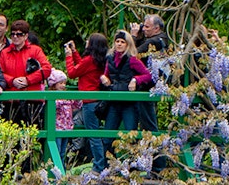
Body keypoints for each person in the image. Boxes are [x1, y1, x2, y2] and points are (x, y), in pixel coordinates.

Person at [100, 31, 152, 162]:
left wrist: (135, 80)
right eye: (117, 41)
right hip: (114, 102)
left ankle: (133, 165)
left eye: (122, 42)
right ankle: (110, 165)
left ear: (127, 44)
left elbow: (148, 75)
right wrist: (104, 78)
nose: (119, 44)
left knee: (131, 136)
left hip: (129, 103)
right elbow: (106, 74)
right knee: (107, 137)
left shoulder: (132, 60)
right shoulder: (110, 58)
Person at [66, 33, 109, 171]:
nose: (86, 42)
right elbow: (82, 67)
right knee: (96, 134)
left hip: (89, 101)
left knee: (93, 135)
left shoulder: (90, 60)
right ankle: (102, 163)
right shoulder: (99, 60)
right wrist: (74, 52)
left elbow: (72, 72)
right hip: (97, 100)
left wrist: (68, 56)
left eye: (88, 41)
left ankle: (98, 166)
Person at [0, 20, 51, 126]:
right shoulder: (4, 53)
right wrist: (12, 80)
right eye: (13, 34)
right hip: (12, 101)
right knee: (12, 138)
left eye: (19, 34)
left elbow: (47, 69)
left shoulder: (36, 50)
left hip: (32, 100)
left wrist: (28, 80)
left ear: (26, 36)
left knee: (34, 137)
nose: (15, 37)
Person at [130, 14, 170, 133]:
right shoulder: (161, 38)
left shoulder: (156, 41)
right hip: (149, 83)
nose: (143, 29)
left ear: (156, 28)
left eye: (147, 27)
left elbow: (133, 54)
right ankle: (150, 144)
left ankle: (153, 145)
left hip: (149, 85)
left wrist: (133, 36)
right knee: (144, 117)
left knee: (148, 119)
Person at [48, 69, 74, 164]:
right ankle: (55, 172)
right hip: (57, 127)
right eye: (60, 83)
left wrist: (77, 99)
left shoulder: (66, 96)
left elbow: (76, 106)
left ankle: (62, 172)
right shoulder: (52, 96)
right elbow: (54, 105)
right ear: (54, 84)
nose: (63, 85)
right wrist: (65, 101)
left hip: (66, 127)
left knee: (63, 152)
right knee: (57, 151)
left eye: (64, 83)